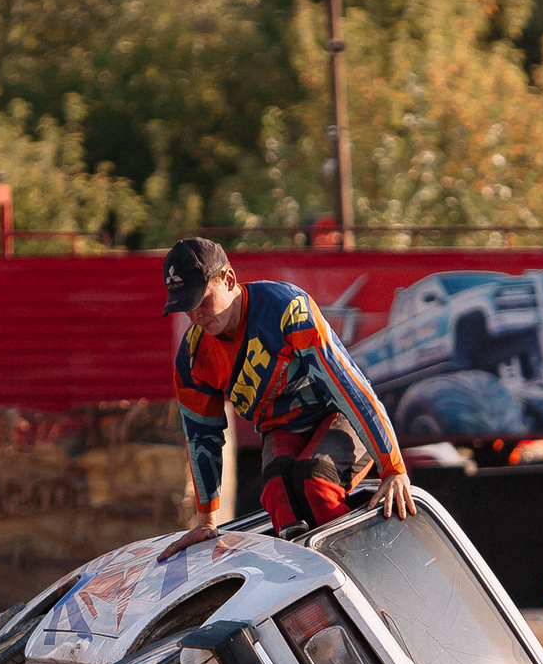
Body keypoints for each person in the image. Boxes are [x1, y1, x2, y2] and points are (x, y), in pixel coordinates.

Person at [158, 236, 413, 560]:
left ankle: (371, 569)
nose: (196, 315)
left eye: (201, 300)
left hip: (335, 413)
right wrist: (206, 519)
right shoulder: (192, 360)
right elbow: (201, 437)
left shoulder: (287, 309)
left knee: (316, 484)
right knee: (277, 493)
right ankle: (310, 589)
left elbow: (349, 389)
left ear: (229, 279)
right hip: (280, 427)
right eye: (185, 306)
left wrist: (393, 469)